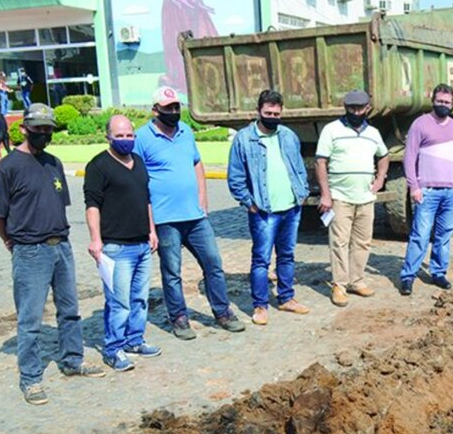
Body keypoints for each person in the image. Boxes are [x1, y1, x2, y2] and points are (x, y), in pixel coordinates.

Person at [0, 103, 105, 405]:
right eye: (38, 129)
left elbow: (58, 203)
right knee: (30, 319)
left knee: (70, 310)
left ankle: (72, 360)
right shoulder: (8, 167)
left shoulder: (53, 163)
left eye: (48, 129)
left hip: (61, 247)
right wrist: (9, 241)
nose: (44, 134)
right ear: (25, 128)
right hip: (29, 252)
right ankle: (31, 378)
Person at [135, 86, 245, 339]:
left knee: (214, 264)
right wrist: (148, 220)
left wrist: (203, 198)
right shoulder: (142, 138)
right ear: (155, 110)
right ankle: (179, 318)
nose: (174, 112)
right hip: (165, 219)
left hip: (195, 217)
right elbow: (137, 178)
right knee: (172, 271)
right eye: (168, 108)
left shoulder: (185, 132)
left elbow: (196, 162)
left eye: (176, 107)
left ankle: (223, 312)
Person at [84, 115, 161, 372]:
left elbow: (146, 199)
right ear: (108, 136)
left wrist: (151, 230)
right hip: (116, 248)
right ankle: (113, 348)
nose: (125, 140)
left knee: (140, 298)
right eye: (120, 135)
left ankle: (135, 340)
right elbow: (92, 205)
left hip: (142, 244)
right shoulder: (98, 166)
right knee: (119, 302)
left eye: (129, 135)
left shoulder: (138, 162)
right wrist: (96, 240)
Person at [227, 89, 311, 324]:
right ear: (258, 111)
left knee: (287, 255)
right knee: (261, 259)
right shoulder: (244, 139)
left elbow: (299, 167)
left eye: (277, 113)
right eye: (268, 112)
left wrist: (302, 192)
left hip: (291, 207)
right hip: (263, 211)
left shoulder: (288, 136)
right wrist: (249, 203)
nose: (273, 117)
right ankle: (260, 306)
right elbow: (235, 177)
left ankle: (286, 298)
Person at [398, 84, 453, 295]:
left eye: (447, 102)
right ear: (433, 101)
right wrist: (414, 186)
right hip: (427, 191)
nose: (443, 105)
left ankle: (438, 272)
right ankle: (407, 276)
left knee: (444, 235)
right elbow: (409, 157)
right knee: (420, 235)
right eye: (440, 101)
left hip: (451, 192)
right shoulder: (420, 125)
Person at [315, 90, 389, 307]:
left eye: (360, 108)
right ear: (345, 108)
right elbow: (321, 162)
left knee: (363, 241)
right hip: (340, 197)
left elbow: (383, 156)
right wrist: (326, 194)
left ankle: (356, 280)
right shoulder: (332, 130)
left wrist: (380, 179)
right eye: (352, 109)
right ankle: (339, 285)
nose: (356, 112)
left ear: (368, 108)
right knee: (339, 241)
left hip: (365, 197)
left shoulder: (373, 133)